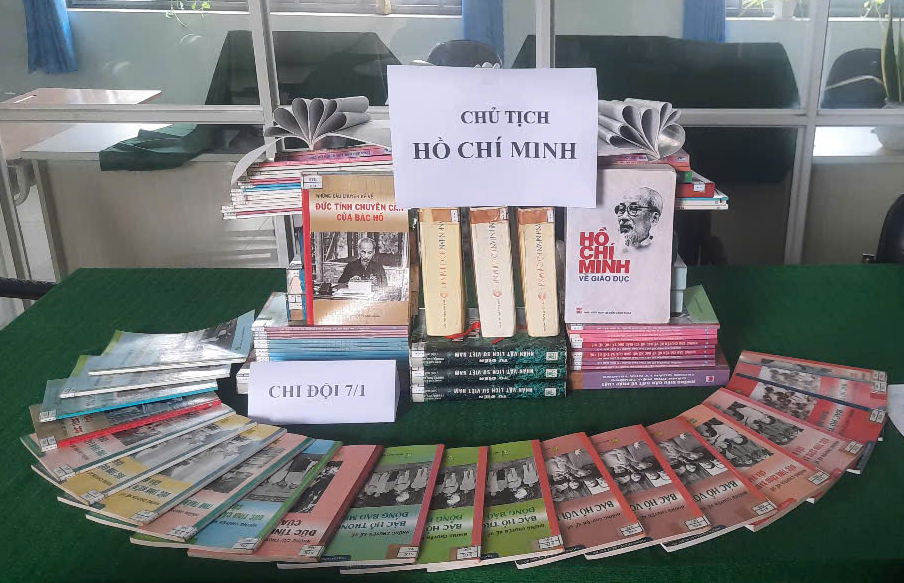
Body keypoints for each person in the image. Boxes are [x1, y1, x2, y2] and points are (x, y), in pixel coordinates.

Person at [613, 186, 663, 251]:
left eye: (634, 209)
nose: (624, 217)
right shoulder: (615, 248)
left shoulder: (659, 250)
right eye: (621, 209)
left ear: (654, 218)